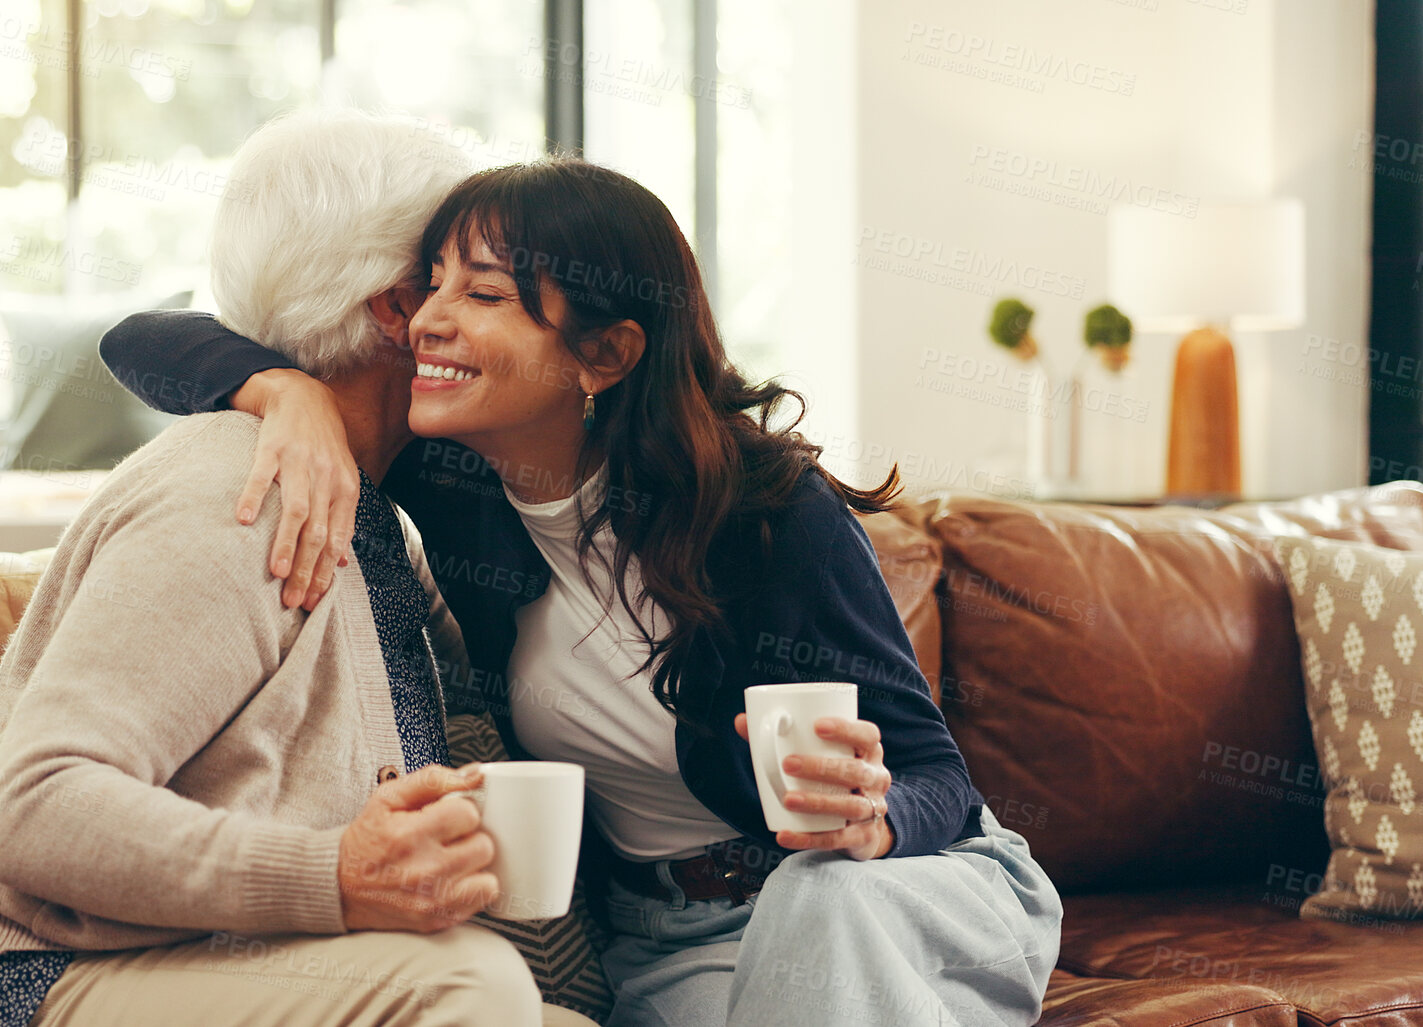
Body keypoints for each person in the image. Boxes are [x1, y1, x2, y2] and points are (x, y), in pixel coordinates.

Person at [101, 157, 1064, 1027]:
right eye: (432, 283)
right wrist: (285, 391)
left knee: (823, 897)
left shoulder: (764, 510)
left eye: (483, 293)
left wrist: (875, 815)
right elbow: (139, 338)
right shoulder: (452, 482)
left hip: (904, 896)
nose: (428, 319)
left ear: (603, 355)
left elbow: (939, 777)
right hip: (675, 940)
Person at [0, 111, 595, 1027]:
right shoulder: (236, 494)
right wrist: (333, 874)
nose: (482, 308)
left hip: (210, 964)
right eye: (458, 281)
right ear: (398, 309)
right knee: (464, 987)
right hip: (13, 983)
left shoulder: (378, 515)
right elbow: (35, 807)